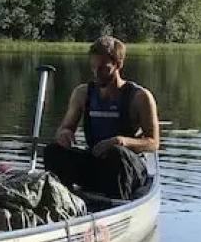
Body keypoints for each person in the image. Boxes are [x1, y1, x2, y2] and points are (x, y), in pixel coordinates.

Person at [44, 35, 159, 201]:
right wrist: (65, 134)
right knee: (53, 151)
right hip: (95, 163)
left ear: (118, 65)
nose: (96, 74)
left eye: (103, 68)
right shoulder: (82, 93)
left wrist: (121, 141)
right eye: (93, 67)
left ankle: (117, 208)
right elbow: (66, 127)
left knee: (116, 153)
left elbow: (153, 143)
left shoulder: (140, 97)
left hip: (127, 168)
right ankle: (61, 203)